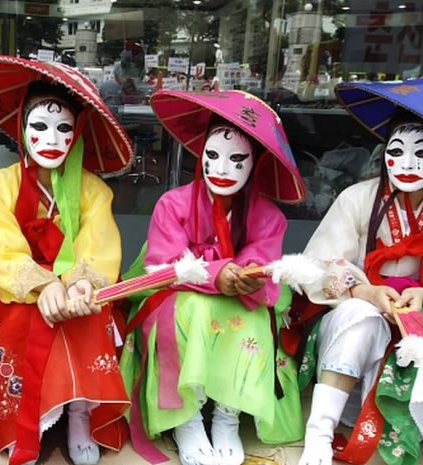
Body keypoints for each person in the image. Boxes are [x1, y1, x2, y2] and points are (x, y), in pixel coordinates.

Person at [289, 77, 423, 465]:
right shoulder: (355, 197)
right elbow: (319, 262)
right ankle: (319, 434)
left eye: (422, 153)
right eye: (396, 150)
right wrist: (367, 292)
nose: (406, 163)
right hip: (363, 304)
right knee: (358, 316)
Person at [0, 55, 135, 465]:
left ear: (77, 134)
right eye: (39, 126)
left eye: (64, 128)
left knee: (89, 316)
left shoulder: (94, 190)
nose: (52, 138)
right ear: (22, 128)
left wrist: (79, 285)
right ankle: (26, 420)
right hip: (17, 289)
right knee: (19, 324)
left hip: (75, 288)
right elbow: (1, 249)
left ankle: (80, 413)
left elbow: (99, 246)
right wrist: (43, 285)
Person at [120, 90, 307, 465]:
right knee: (193, 310)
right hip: (177, 293)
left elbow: (264, 259)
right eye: (213, 155)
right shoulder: (172, 204)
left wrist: (249, 274)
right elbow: (165, 263)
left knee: (253, 317)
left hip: (240, 298)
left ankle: (227, 414)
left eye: (237, 160)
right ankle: (186, 419)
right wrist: (218, 273)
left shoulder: (268, 216)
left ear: (255, 163)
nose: (221, 168)